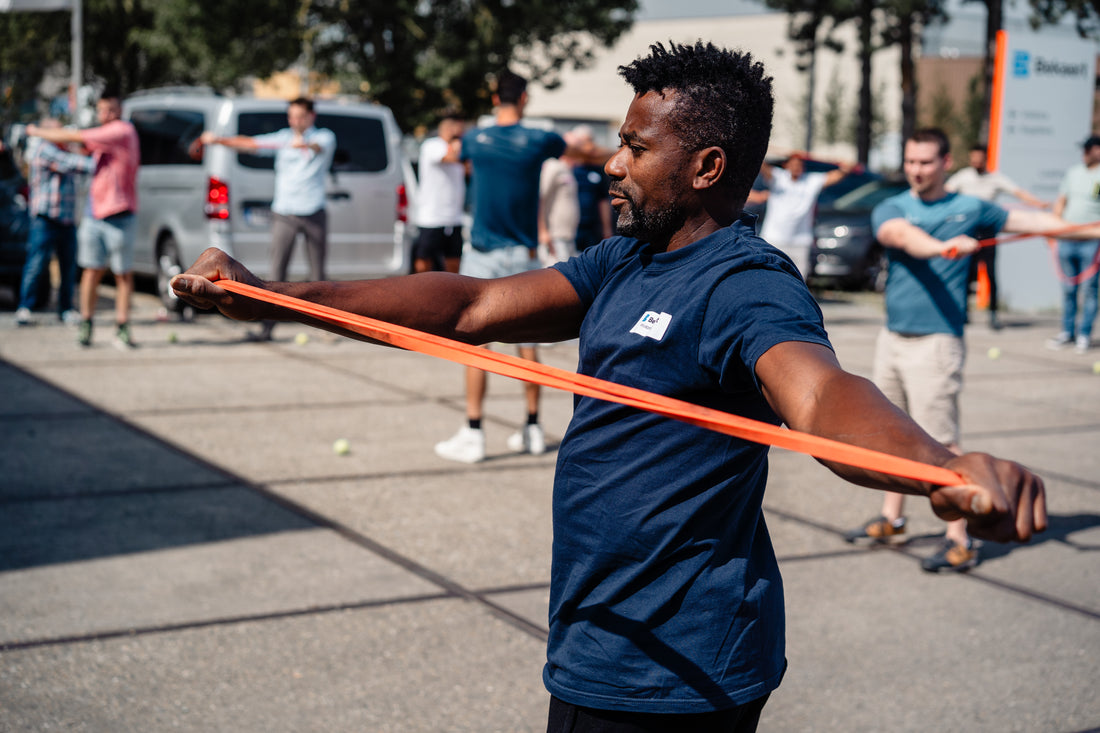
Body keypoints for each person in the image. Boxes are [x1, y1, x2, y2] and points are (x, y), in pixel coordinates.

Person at [171, 42, 1048, 731]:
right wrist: (277, 297)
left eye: (636, 147)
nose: (612, 165)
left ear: (705, 167)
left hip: (675, 672)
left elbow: (821, 398)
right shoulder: (625, 257)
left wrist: (938, 465)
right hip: (598, 637)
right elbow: (475, 305)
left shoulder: (747, 283)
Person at [845, 127, 1096, 573]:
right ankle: (893, 519)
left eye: (925, 162)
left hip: (938, 343)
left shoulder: (970, 208)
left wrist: (1087, 228)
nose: (916, 171)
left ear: (946, 163)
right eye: (910, 162)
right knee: (891, 439)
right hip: (893, 339)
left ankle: (959, 539)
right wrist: (943, 247)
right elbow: (900, 236)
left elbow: (1037, 223)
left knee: (942, 442)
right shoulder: (894, 205)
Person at [431, 71, 565, 463]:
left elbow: (455, 152)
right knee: (528, 343)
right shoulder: (541, 140)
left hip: (483, 252)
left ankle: (474, 433)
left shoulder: (475, 139)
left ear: (494, 98)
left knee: (476, 343)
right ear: (524, 99)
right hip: (521, 254)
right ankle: (534, 428)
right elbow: (570, 148)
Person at [200, 97, 336, 341]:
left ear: (311, 117)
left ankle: (327, 329)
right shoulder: (282, 138)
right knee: (277, 273)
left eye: (300, 116)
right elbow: (250, 144)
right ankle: (267, 327)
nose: (295, 120)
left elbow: (317, 146)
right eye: (291, 116)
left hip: (314, 211)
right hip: (285, 213)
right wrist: (218, 140)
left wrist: (303, 144)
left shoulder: (325, 136)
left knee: (319, 275)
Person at [27, 91, 140, 349]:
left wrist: (36, 131)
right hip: (95, 214)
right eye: (101, 111)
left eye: (109, 110)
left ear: (119, 111)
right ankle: (87, 324)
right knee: (91, 272)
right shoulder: (105, 137)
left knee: (123, 275)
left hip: (120, 214)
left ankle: (122, 326)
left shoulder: (121, 131)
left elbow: (74, 137)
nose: (105, 116)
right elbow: (78, 147)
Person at [945, 143, 1048, 330]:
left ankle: (993, 314)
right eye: (973, 157)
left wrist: (1038, 204)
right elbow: (946, 191)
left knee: (990, 274)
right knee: (967, 274)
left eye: (979, 157)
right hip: (968, 231)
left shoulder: (995, 178)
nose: (976, 161)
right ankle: (964, 313)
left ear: (985, 158)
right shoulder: (964, 176)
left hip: (988, 232)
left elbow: (1017, 192)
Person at [12, 120, 94, 327]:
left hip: (66, 219)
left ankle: (65, 309)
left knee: (68, 268)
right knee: (36, 264)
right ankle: (25, 307)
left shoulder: (65, 149)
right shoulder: (44, 149)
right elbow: (76, 164)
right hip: (45, 217)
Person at [757, 152, 857, 278]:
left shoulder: (811, 181)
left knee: (798, 279)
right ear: (786, 165)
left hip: (800, 241)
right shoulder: (778, 177)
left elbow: (834, 177)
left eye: (799, 165)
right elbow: (763, 167)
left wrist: (845, 169)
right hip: (774, 239)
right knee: (768, 277)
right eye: (793, 164)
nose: (796, 168)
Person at [1045, 135, 1100, 354]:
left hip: (1092, 243)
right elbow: (1061, 202)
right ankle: (1068, 332)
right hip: (1066, 240)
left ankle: (1084, 334)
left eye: (1088, 150)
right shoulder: (1073, 173)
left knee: (1090, 291)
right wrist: (1052, 231)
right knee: (1068, 289)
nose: (1084, 154)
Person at [412, 112, 467, 274]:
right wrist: (459, 147)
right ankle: (420, 293)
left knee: (454, 261)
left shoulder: (460, 149)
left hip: (454, 217)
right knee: (424, 259)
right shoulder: (432, 145)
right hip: (432, 217)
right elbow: (448, 157)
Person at [567, 125, 614, 253]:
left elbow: (603, 200)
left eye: (591, 140)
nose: (590, 144)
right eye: (585, 141)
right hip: (573, 228)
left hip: (593, 228)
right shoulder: (569, 169)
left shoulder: (598, 170)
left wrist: (607, 228)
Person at [538, 139, 580, 266]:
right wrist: (542, 231)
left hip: (567, 236)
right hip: (554, 236)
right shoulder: (553, 166)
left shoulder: (566, 169)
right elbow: (540, 197)